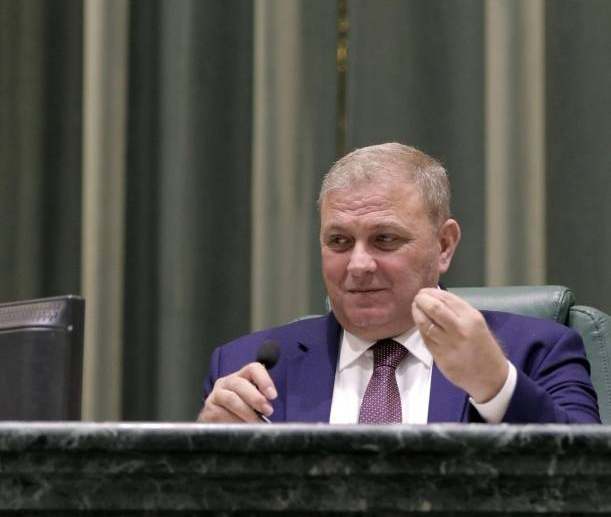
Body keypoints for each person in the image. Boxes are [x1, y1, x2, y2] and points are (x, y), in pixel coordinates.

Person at [197, 143, 600, 424]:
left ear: (444, 245)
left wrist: (495, 386)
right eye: (339, 241)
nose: (358, 265)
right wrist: (207, 456)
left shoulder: (537, 351)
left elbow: (591, 484)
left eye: (385, 239)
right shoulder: (248, 368)